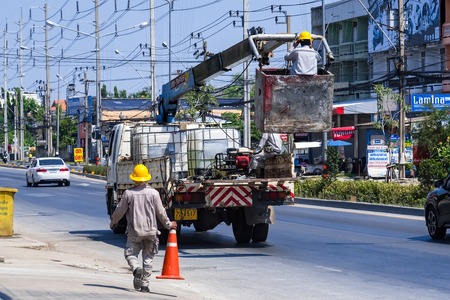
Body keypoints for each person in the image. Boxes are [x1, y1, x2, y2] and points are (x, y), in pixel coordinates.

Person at [110, 164, 177, 293]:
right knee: (148, 258)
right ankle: (145, 286)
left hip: (134, 231)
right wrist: (168, 225)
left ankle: (136, 268)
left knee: (130, 254)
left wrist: (113, 222)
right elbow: (161, 213)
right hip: (151, 231)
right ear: (146, 178)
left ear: (134, 178)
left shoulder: (128, 194)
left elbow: (119, 211)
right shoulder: (154, 193)